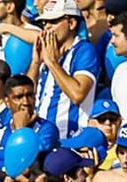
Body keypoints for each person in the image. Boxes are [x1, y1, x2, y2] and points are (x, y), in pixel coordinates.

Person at [31, 0, 99, 139]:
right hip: (40, 135)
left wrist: (52, 63)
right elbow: (27, 94)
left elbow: (77, 94)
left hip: (68, 138)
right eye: (44, 23)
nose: (47, 27)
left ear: (72, 23)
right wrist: (35, 63)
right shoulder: (48, 52)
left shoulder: (84, 51)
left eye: (53, 21)